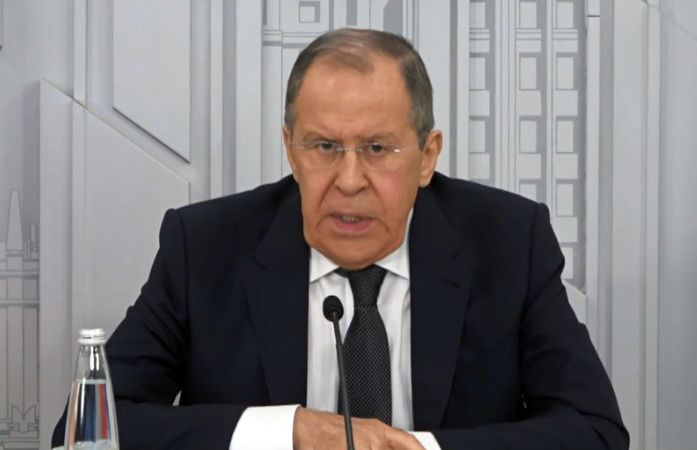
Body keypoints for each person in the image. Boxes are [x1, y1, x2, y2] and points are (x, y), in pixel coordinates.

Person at [53, 28, 628, 449]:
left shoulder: (508, 243)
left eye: (377, 149)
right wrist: (289, 432)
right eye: (324, 147)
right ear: (290, 148)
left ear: (427, 156)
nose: (349, 181)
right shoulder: (204, 247)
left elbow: (595, 431)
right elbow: (85, 430)